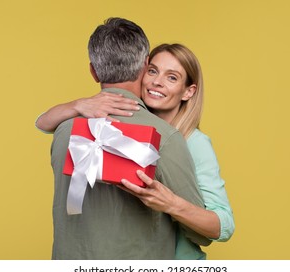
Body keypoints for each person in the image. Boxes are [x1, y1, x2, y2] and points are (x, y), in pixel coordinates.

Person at [37, 43, 235, 259]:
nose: (157, 82)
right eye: (153, 71)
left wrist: (170, 203)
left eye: (172, 77)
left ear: (188, 91)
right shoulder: (120, 126)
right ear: (141, 70)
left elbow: (222, 225)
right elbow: (44, 124)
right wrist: (78, 105)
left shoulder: (194, 143)